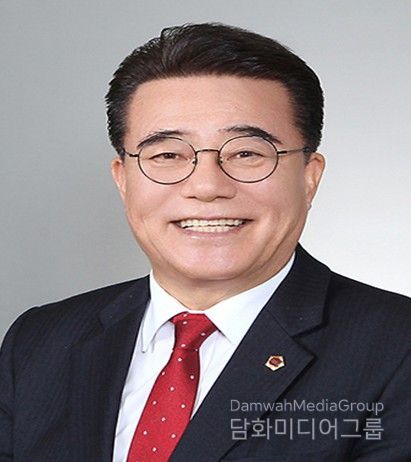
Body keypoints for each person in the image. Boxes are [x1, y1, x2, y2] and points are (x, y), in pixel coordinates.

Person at [0, 23, 410, 462]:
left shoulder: (396, 348)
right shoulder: (39, 342)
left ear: (310, 178)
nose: (207, 186)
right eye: (167, 154)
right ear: (123, 179)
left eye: (247, 153)